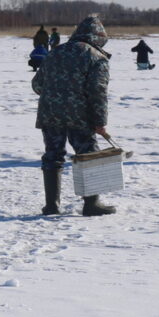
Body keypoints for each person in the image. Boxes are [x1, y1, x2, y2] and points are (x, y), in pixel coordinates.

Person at [32, 15, 115, 217]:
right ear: (99, 37)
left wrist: (55, 95)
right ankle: (91, 204)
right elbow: (98, 93)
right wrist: (100, 122)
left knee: (53, 156)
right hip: (81, 117)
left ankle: (51, 206)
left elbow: (37, 85)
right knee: (88, 156)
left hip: (50, 114)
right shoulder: (97, 57)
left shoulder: (55, 52)